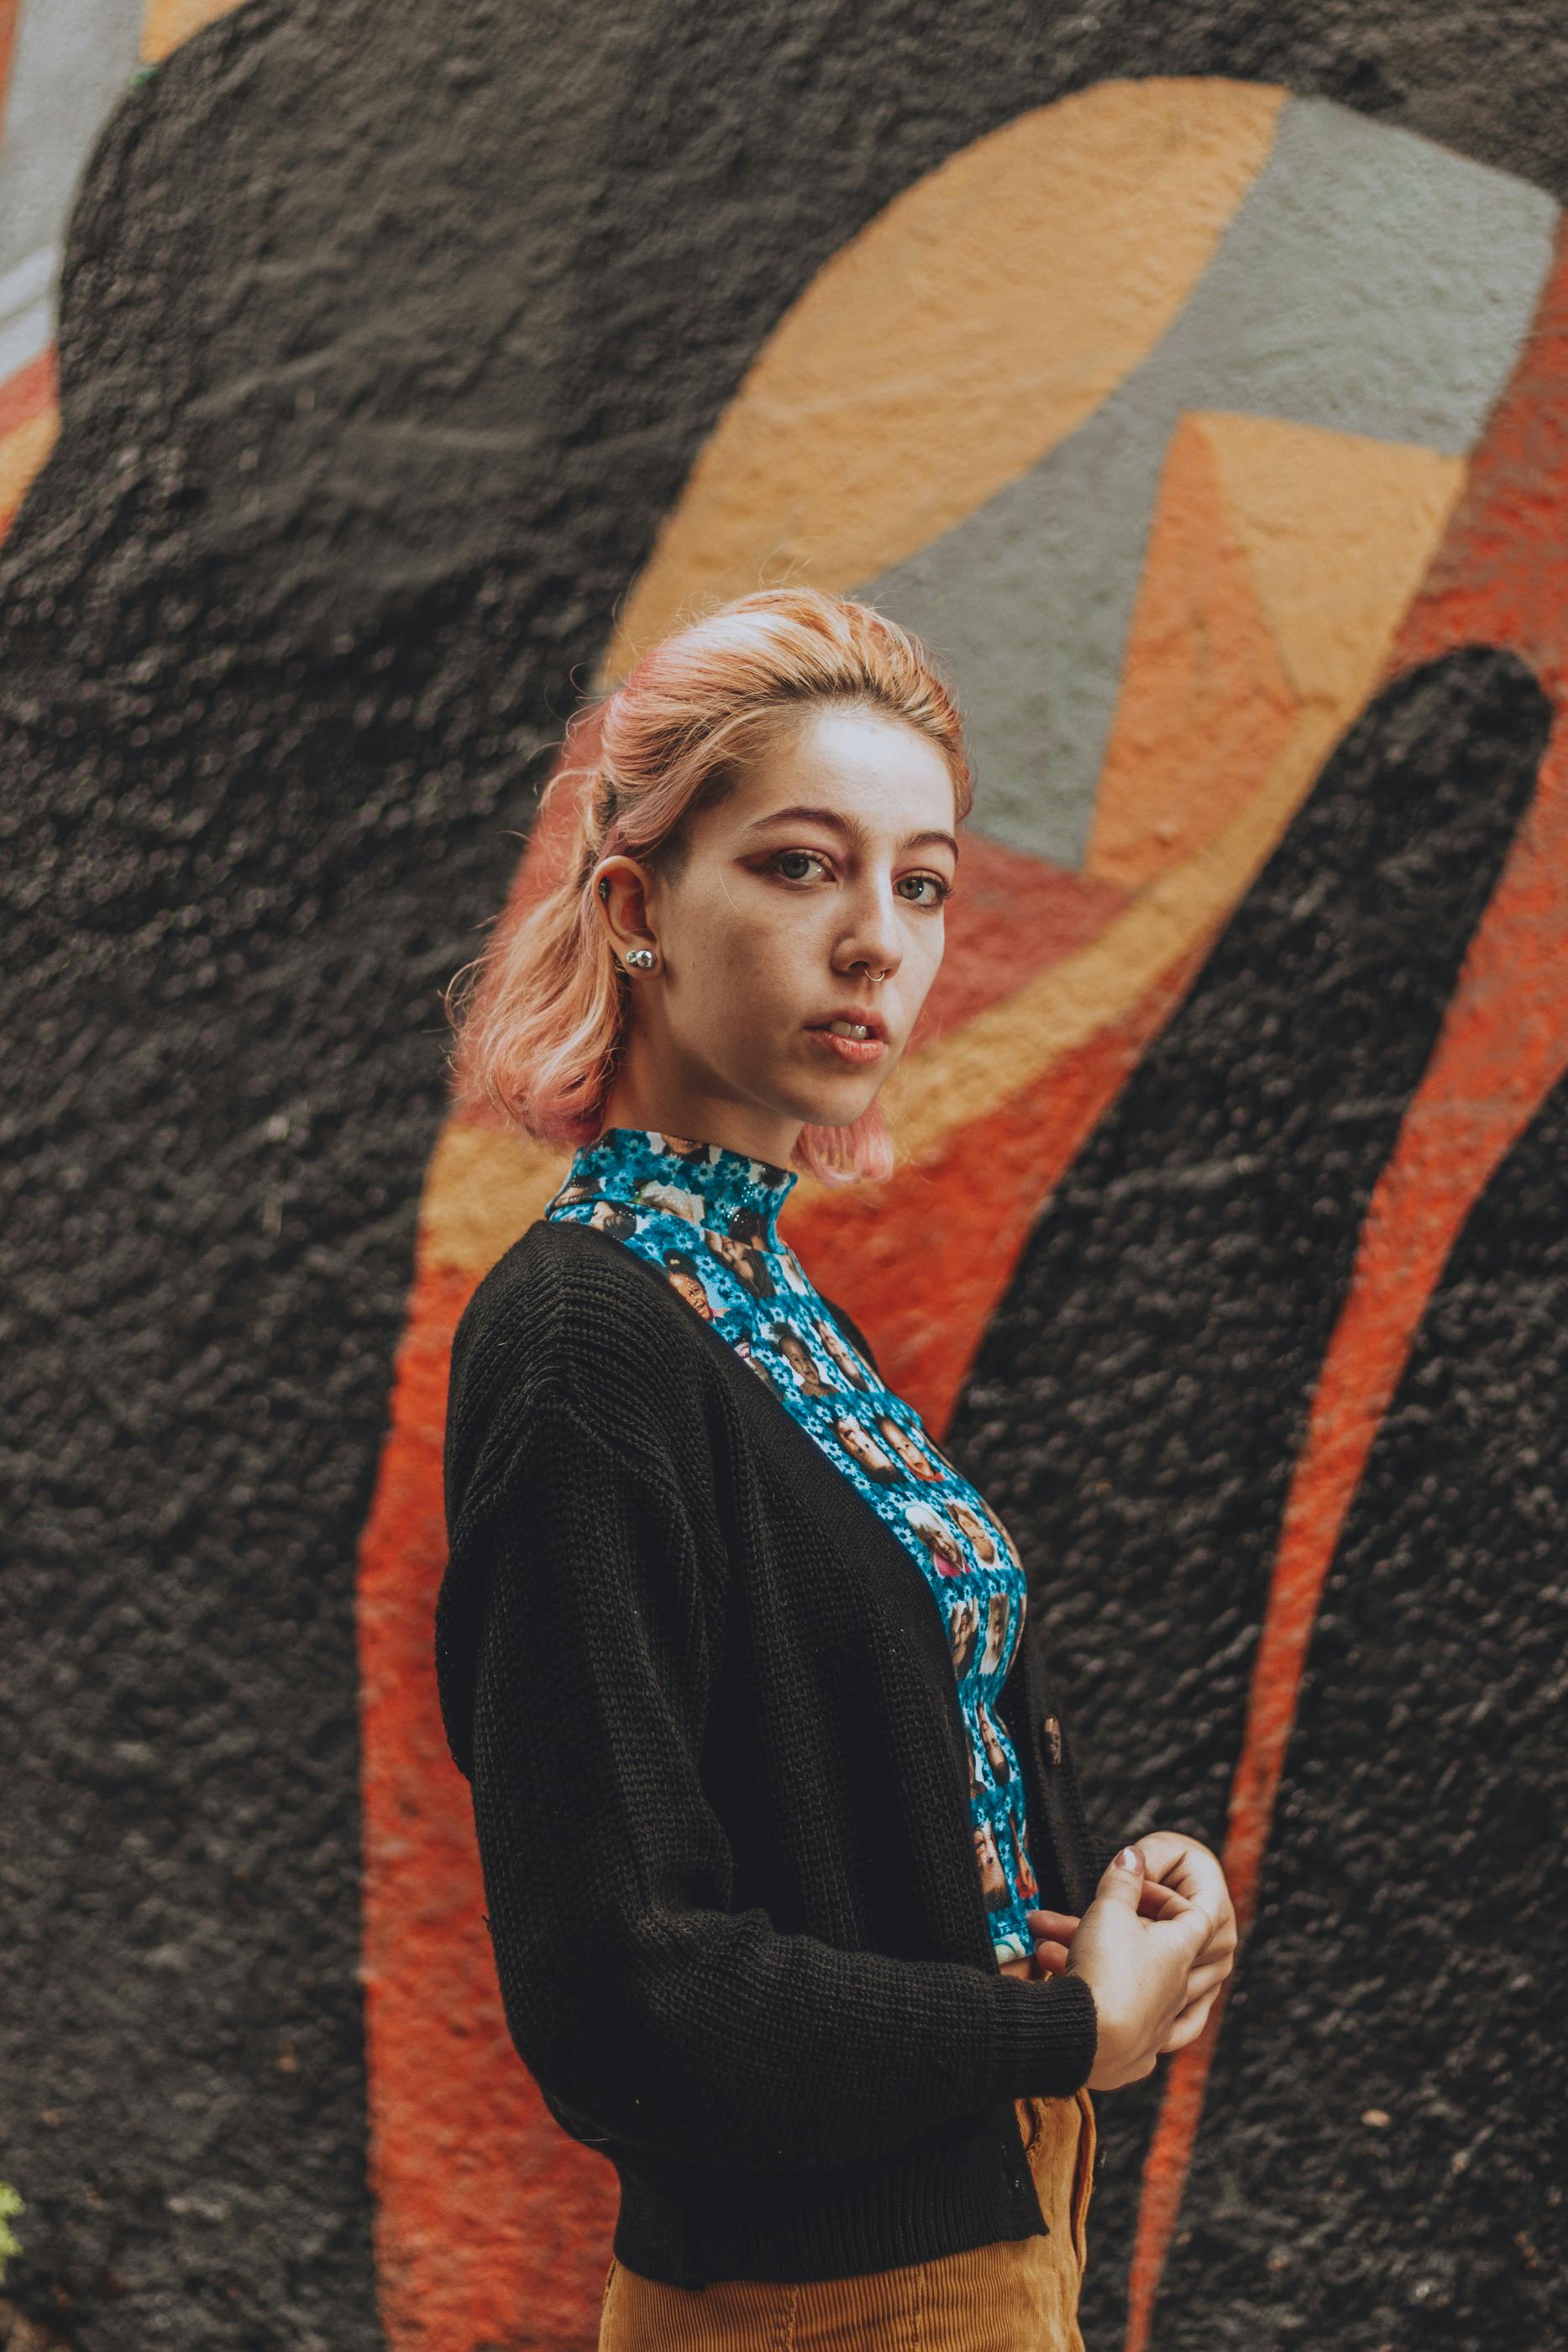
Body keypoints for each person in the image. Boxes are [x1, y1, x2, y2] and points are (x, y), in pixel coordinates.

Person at [434, 586, 1237, 2349]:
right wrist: (1060, 2032)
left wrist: (1079, 1929)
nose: (878, 938)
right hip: (822, 2297)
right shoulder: (591, 1338)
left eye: (923, 879)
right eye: (803, 866)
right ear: (637, 906)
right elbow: (624, 1987)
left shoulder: (761, 1301)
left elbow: (831, 1819)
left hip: (983, 2219)